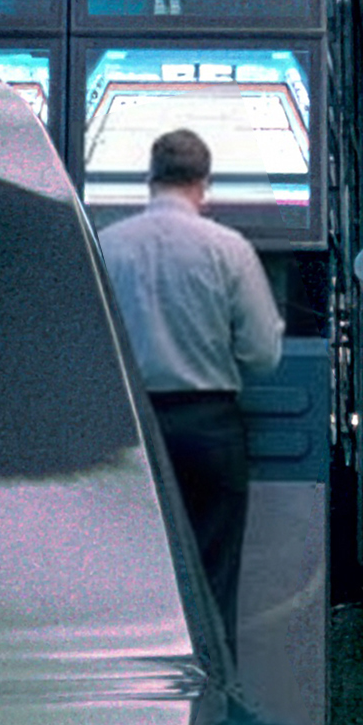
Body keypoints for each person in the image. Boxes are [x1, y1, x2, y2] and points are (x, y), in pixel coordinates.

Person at [98, 126, 285, 633]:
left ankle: (142, 703)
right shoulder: (229, 249)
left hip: (128, 428)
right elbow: (263, 352)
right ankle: (215, 704)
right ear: (204, 182)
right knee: (212, 581)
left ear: (150, 179)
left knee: (135, 578)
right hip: (209, 427)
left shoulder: (107, 246)